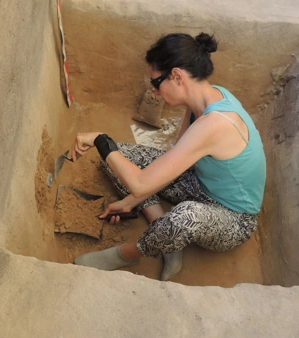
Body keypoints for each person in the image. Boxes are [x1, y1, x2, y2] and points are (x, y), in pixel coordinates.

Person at [71, 33, 266, 281]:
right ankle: (164, 233)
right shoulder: (206, 97)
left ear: (177, 76)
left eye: (156, 82)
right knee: (121, 158)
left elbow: (140, 184)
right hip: (198, 181)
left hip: (232, 218)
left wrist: (101, 139)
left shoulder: (215, 123)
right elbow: (175, 160)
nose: (154, 91)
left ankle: (126, 254)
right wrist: (130, 201)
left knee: (186, 216)